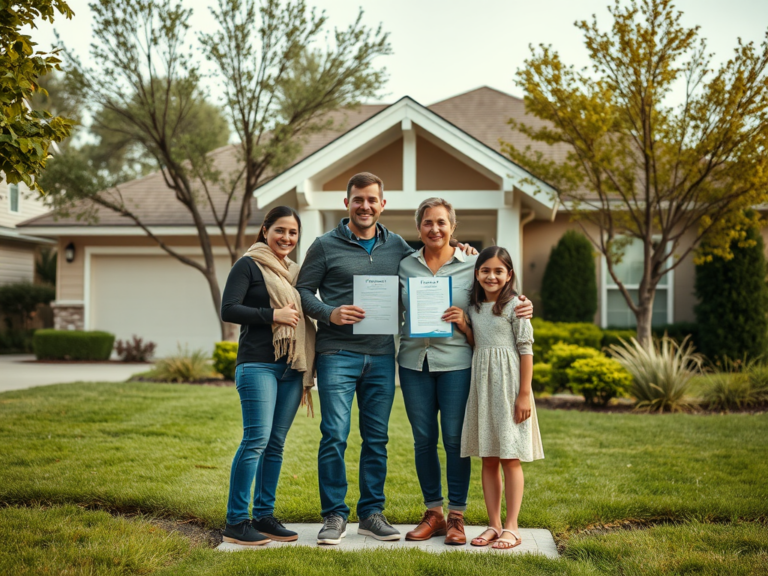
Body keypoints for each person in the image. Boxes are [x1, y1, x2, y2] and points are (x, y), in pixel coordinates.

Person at [398, 199, 533, 546]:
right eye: (427, 222)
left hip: (458, 363)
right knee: (423, 440)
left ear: (453, 227)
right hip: (413, 362)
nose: (435, 229)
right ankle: (434, 514)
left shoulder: (474, 263)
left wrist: (523, 302)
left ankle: (457, 516)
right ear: (419, 228)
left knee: (456, 441)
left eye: (442, 222)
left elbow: (498, 294)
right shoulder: (405, 267)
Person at [220, 206, 316, 546]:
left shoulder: (295, 272)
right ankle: (236, 521)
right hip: (258, 364)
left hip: (292, 367)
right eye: (280, 230)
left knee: (275, 444)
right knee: (256, 440)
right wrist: (272, 314)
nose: (286, 238)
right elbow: (228, 308)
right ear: (265, 231)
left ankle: (263, 514)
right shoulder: (248, 264)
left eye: (292, 233)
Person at [460, 246, 544, 550]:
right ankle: (493, 524)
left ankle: (513, 526)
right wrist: (463, 327)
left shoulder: (516, 306)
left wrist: (524, 394)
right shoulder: (474, 308)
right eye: (485, 270)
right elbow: (478, 344)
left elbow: (526, 349)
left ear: (509, 275)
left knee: (510, 456)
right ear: (477, 273)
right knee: (488, 457)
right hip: (483, 387)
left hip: (509, 388)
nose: (491, 276)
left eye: (499, 271)